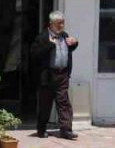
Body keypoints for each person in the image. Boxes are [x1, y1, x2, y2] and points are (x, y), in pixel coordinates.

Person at [29, 11, 78, 139]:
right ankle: (41, 130)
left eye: (62, 23)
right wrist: (50, 44)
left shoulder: (65, 35)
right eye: (58, 23)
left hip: (62, 74)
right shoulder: (42, 37)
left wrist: (75, 43)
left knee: (64, 103)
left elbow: (67, 51)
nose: (61, 26)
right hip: (48, 76)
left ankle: (66, 130)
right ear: (51, 24)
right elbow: (34, 55)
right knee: (45, 104)